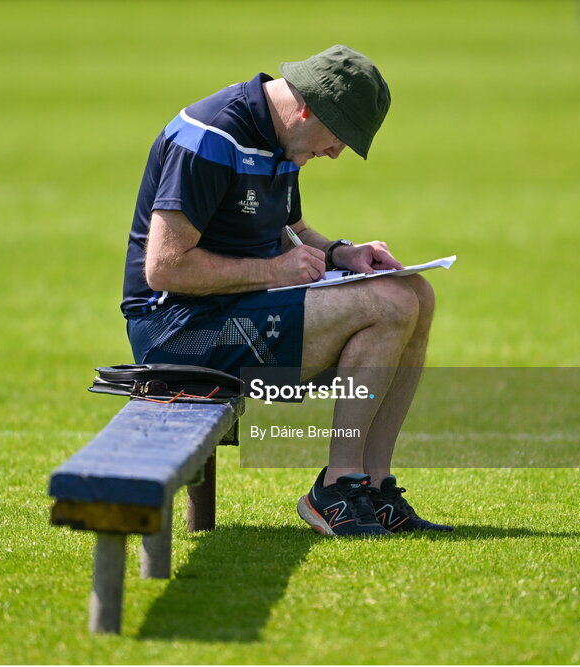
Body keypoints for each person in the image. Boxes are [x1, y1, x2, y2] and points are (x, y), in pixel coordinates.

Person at [121, 45, 452, 537]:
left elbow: (289, 229)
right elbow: (166, 269)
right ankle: (337, 489)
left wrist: (343, 253)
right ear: (307, 108)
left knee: (416, 294)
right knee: (390, 305)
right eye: (339, 136)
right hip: (179, 334)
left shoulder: (282, 137)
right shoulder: (208, 138)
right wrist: (274, 272)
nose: (337, 152)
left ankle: (374, 490)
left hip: (234, 311)